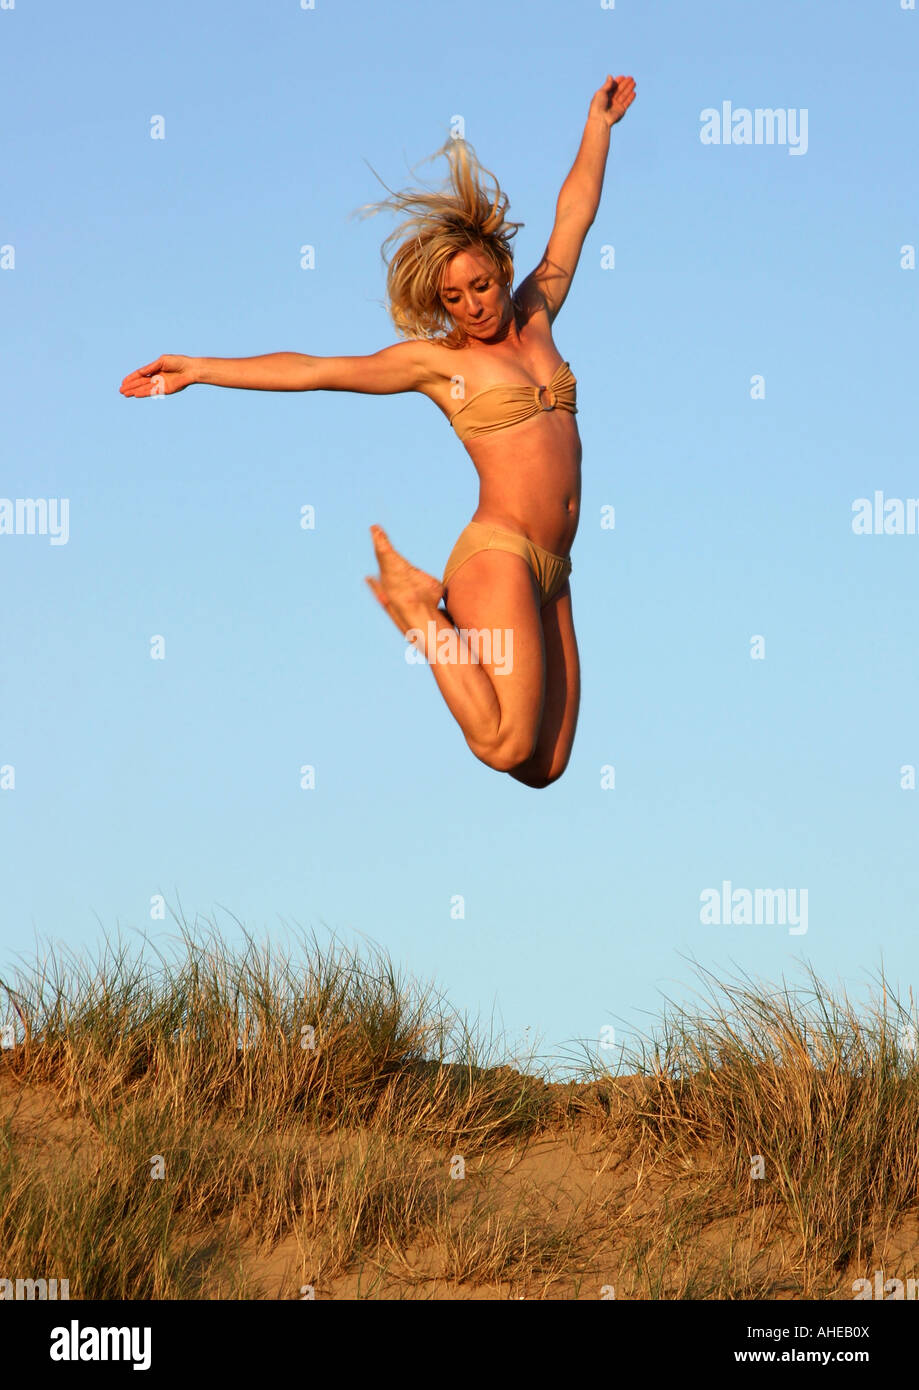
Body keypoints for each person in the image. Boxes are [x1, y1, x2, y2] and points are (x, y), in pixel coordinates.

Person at [120, 74, 636, 787]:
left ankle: (426, 614)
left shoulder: (539, 314)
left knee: (544, 767)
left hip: (555, 567)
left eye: (480, 288)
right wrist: (199, 367)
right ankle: (420, 611)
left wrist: (598, 126)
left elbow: (573, 215)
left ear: (503, 269)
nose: (472, 307)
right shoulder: (438, 364)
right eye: (452, 299)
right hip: (501, 555)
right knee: (503, 746)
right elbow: (315, 369)